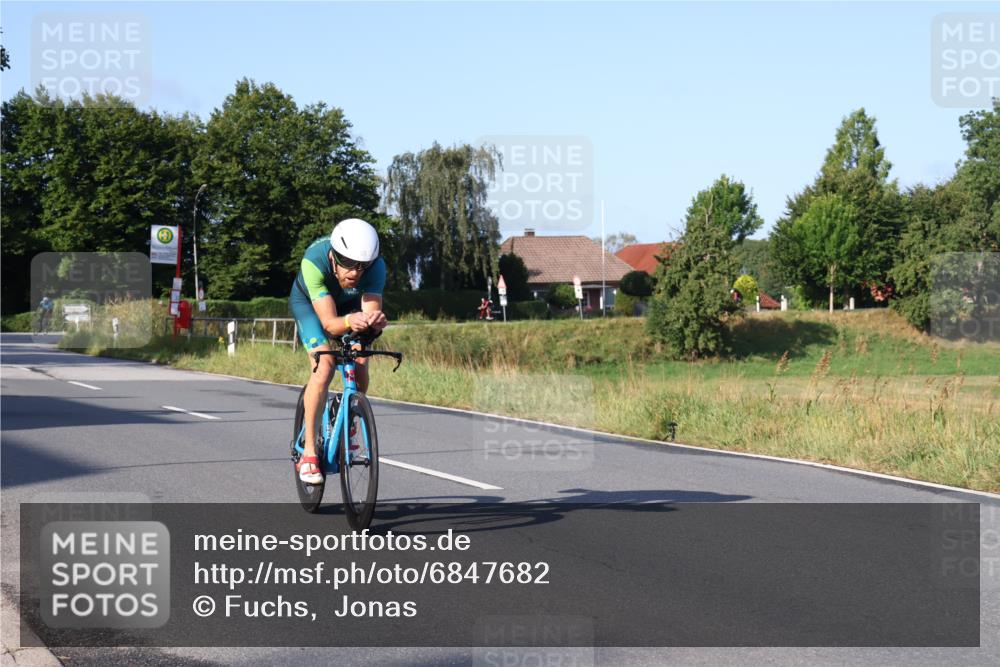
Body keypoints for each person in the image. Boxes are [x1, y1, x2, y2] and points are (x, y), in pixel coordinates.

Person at [289, 218, 388, 483]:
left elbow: (367, 318)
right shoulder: (313, 261)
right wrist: (348, 321)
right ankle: (309, 452)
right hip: (311, 307)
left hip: (349, 307)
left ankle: (351, 419)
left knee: (360, 362)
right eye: (348, 264)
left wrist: (373, 324)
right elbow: (330, 325)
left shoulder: (376, 267)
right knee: (324, 366)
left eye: (362, 266)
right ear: (334, 256)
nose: (355, 273)